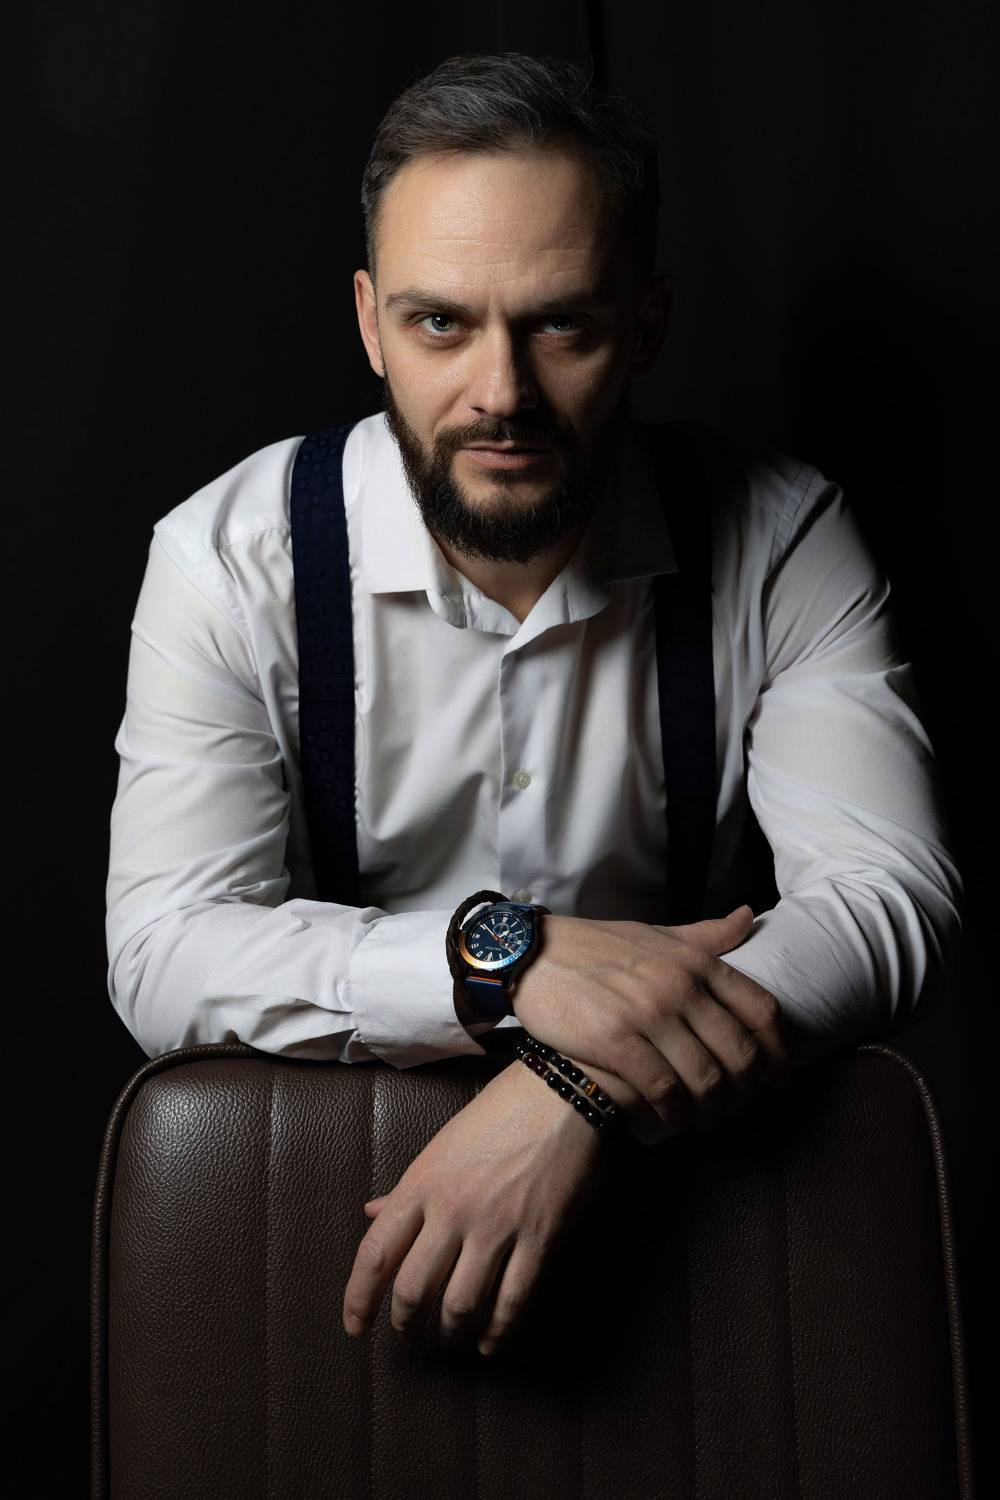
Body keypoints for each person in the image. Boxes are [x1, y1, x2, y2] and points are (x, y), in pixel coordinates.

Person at [104, 51, 964, 1360]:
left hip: (693, 1225)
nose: (499, 393)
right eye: (439, 324)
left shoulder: (785, 540)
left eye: (561, 325)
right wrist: (509, 961)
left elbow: (891, 897)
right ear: (369, 322)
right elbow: (164, 947)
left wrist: (574, 1084)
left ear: (648, 323)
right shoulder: (229, 562)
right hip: (323, 1232)